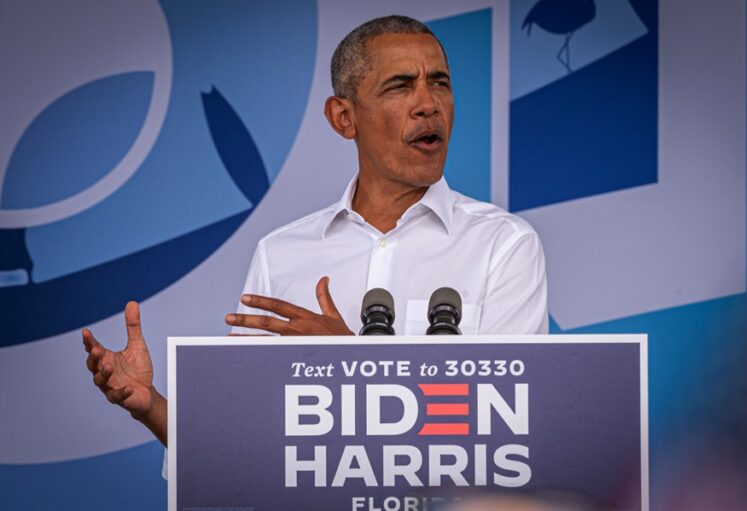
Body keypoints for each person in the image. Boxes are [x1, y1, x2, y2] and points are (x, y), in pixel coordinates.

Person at [82, 15, 547, 451]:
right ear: (344, 117)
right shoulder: (281, 254)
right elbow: (238, 445)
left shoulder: (503, 246)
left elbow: (508, 430)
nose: (428, 104)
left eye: (440, 83)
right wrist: (151, 407)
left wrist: (349, 364)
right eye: (400, 86)